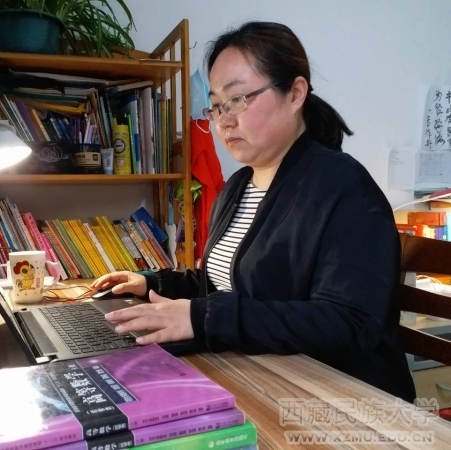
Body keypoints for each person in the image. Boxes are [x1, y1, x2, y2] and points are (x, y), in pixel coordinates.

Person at [91, 21, 416, 403]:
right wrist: (154, 284)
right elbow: (226, 282)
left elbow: (348, 325)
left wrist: (202, 318)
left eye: (239, 99)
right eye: (216, 106)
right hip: (266, 377)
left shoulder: (344, 188)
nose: (224, 120)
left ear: (295, 93)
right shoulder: (238, 186)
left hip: (347, 400)